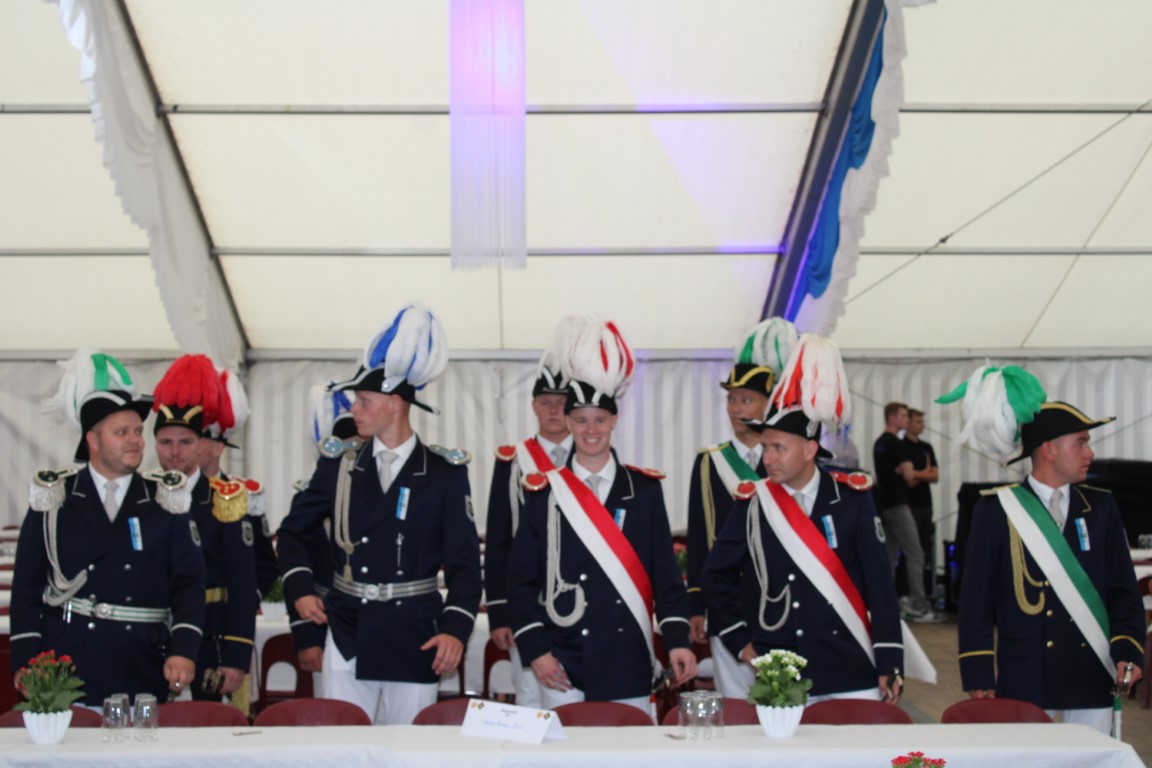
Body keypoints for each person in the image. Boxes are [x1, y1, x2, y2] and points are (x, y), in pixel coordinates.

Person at [277, 304, 482, 725]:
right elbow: (293, 532)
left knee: (410, 748)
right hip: (347, 631)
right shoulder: (339, 464)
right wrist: (299, 589)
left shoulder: (442, 473)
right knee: (343, 745)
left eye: (364, 401)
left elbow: (464, 563)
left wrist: (455, 629)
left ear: (395, 403)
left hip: (416, 634)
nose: (353, 409)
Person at [938, 366, 1144, 734]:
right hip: (1026, 672)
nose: (1090, 452)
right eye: (1080, 442)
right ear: (1048, 449)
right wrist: (978, 670)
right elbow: (976, 601)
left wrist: (1128, 651)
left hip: (1092, 670)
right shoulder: (996, 510)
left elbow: (1123, 590)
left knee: (1094, 757)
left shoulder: (1101, 508)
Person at [703, 334, 904, 704]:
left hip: (849, 664)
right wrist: (741, 642)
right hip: (781, 670)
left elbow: (880, 585)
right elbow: (716, 575)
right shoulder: (753, 503)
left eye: (779, 448)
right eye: (766, 447)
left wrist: (889, 660)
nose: (768, 458)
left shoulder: (852, 500)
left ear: (810, 449)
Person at [509, 318, 697, 714]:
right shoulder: (544, 492)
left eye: (599, 419)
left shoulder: (643, 491)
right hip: (561, 659)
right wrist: (536, 650)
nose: (590, 429)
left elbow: (665, 576)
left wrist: (678, 640)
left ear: (614, 421)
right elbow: (521, 581)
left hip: (626, 655)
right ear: (568, 423)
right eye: (581, 420)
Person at [9, 350, 204, 705]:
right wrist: (25, 659)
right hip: (68, 665)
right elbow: (27, 586)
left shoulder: (164, 498)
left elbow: (189, 583)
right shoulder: (56, 498)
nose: (135, 440)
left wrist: (184, 650)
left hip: (142, 662)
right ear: (93, 441)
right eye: (121, 432)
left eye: (137, 431)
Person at [685, 317, 795, 698]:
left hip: (779, 600)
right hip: (727, 601)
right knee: (734, 703)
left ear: (768, 403)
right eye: (731, 400)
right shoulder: (710, 462)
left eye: (745, 400)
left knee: (784, 701)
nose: (735, 409)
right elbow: (699, 539)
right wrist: (697, 604)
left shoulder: (787, 463)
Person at [153, 354, 259, 705]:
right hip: (154, 639)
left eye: (185, 442)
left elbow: (243, 584)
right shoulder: (144, 497)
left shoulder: (224, 499)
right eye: (165, 442)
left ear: (201, 445)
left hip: (210, 640)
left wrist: (236, 654)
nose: (174, 453)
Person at [484, 317, 579, 707]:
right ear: (533, 406)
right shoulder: (513, 460)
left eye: (561, 403)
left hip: (577, 602)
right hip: (527, 604)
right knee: (529, 698)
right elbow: (499, 541)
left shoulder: (590, 460)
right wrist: (499, 613)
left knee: (577, 702)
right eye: (545, 402)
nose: (554, 410)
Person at [198, 366, 279, 604]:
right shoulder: (168, 493)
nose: (186, 448)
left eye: (196, 440)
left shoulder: (245, 495)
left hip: (225, 613)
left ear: (218, 448)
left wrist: (245, 601)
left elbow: (265, 563)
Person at [873, 402, 939, 622]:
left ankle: (886, 604)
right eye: (903, 416)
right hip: (899, 505)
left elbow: (904, 473)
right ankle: (918, 606)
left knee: (889, 557)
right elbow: (910, 476)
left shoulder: (879, 443)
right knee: (916, 554)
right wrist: (920, 472)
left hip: (885, 505)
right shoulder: (895, 443)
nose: (907, 420)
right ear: (892, 418)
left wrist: (905, 471)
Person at [903, 408, 938, 601]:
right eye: (917, 421)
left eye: (922, 421)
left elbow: (935, 476)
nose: (921, 425)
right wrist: (925, 473)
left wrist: (918, 474)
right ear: (908, 423)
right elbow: (908, 480)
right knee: (912, 551)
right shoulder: (902, 447)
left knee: (923, 551)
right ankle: (910, 595)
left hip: (926, 505)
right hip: (910, 505)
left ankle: (923, 593)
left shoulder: (926, 447)